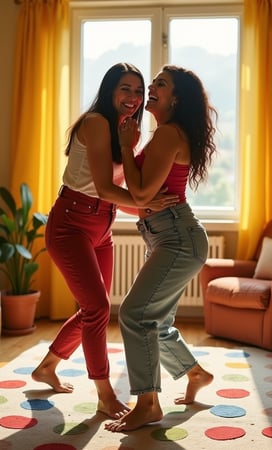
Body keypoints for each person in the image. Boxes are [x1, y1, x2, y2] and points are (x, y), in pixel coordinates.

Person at [31, 63, 178, 419]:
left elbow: (118, 194)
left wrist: (146, 209)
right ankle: (104, 393)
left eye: (138, 91)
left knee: (91, 310)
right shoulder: (96, 123)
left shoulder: (129, 131)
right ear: (110, 90)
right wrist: (144, 202)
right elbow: (103, 187)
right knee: (97, 309)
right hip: (70, 225)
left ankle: (47, 366)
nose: (132, 98)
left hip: (102, 225)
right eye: (125, 89)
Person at [105, 64, 218, 431]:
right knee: (156, 321)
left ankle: (148, 404)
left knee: (135, 315)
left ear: (176, 98)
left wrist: (125, 145)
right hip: (166, 235)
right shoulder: (163, 135)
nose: (151, 87)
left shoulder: (169, 134)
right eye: (153, 81)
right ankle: (195, 373)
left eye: (160, 84)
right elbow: (137, 201)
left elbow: (140, 194)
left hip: (176, 237)